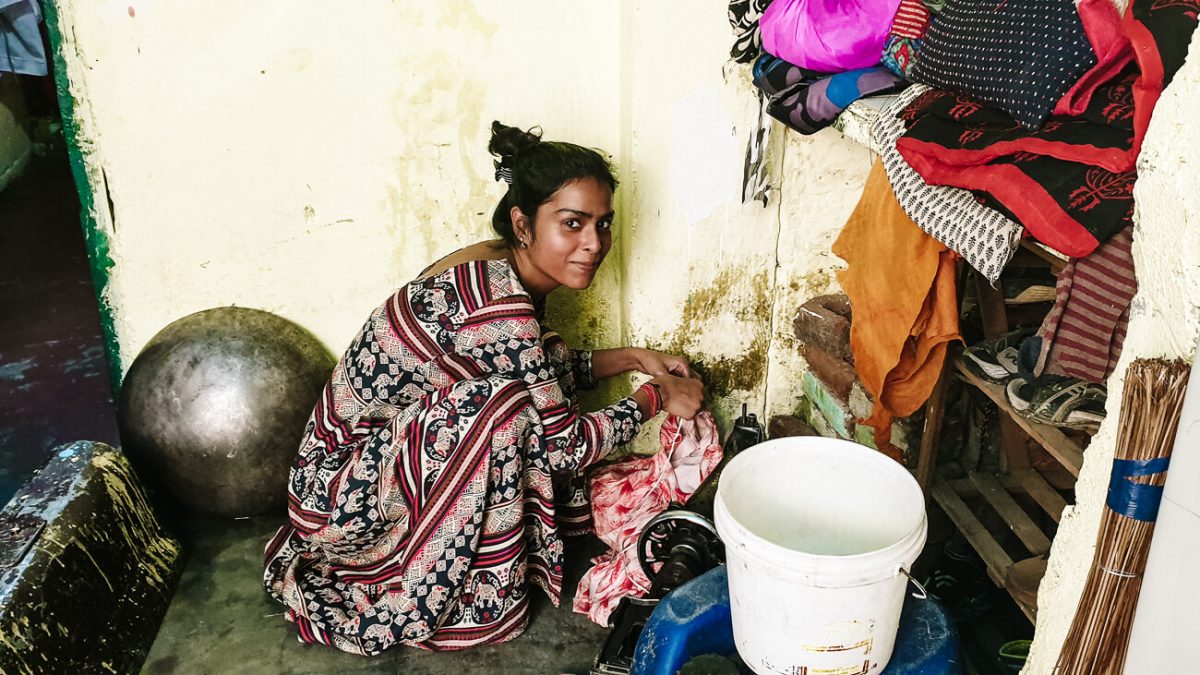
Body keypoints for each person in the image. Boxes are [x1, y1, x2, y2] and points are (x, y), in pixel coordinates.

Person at [263, 122, 704, 656]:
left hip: (358, 479)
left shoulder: (495, 263)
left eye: (603, 224)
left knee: (513, 395)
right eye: (572, 224)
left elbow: (537, 368)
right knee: (500, 409)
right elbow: (562, 449)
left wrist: (634, 358)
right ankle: (461, 595)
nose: (594, 244)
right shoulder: (495, 303)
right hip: (338, 509)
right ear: (524, 224)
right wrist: (654, 397)